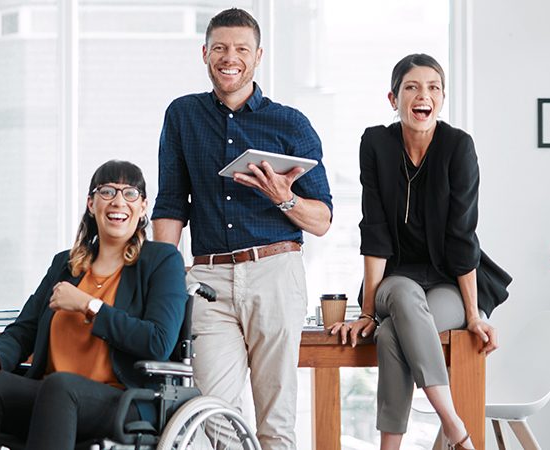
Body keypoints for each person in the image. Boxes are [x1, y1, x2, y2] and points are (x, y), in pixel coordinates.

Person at [150, 8, 333, 449]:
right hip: (209, 280)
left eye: (241, 49)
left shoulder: (290, 123)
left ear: (258, 56)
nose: (229, 58)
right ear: (205, 54)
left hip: (275, 272)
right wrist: (166, 275)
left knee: (276, 419)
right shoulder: (183, 115)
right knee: (212, 411)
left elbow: (323, 220)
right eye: (220, 48)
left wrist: (284, 197)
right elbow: (171, 201)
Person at [329, 53, 511, 450]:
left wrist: (473, 314)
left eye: (433, 87)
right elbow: (374, 230)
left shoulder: (458, 147)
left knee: (392, 333)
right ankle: (455, 426)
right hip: (395, 281)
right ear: (393, 99)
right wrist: (367, 311)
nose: (422, 95)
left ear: (442, 98)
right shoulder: (376, 144)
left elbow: (462, 236)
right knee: (403, 296)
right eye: (411, 87)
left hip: (448, 281)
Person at [0, 160, 188, 449]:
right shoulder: (65, 264)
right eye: (107, 192)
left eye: (130, 193)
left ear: (143, 207)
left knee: (60, 386)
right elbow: (25, 329)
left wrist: (89, 305)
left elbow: (158, 342)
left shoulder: (162, 261)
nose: (118, 201)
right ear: (91, 204)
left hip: (121, 398)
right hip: (52, 392)